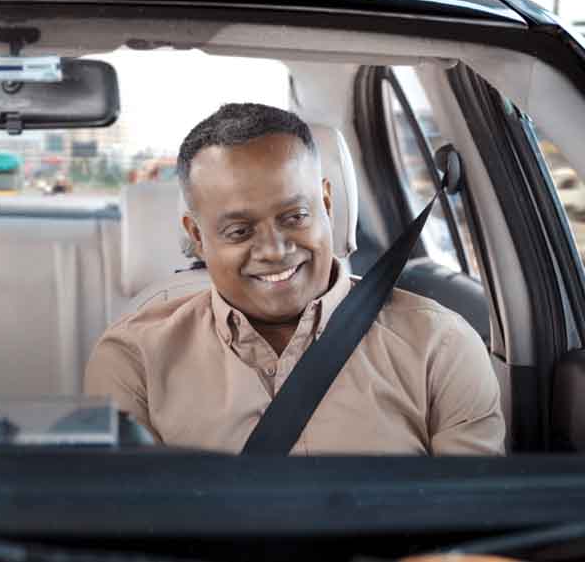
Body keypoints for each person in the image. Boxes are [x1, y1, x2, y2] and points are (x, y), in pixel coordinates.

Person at [85, 103, 504, 455]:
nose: (273, 249)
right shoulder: (135, 359)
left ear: (327, 203)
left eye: (295, 217)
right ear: (197, 236)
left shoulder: (440, 347)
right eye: (239, 231)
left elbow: (471, 518)